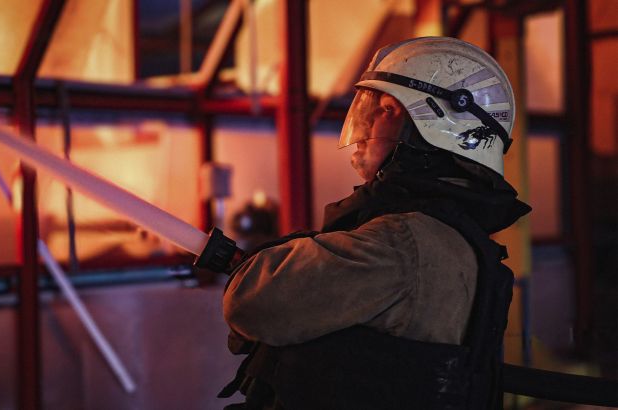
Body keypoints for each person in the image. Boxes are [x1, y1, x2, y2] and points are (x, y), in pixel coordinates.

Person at [215, 37, 531, 409]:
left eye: (385, 110)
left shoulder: (402, 242)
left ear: (434, 129)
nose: (366, 124)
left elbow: (253, 303)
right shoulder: (452, 237)